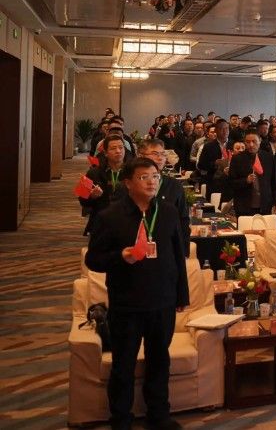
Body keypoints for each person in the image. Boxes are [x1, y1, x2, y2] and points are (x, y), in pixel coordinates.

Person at [85, 157, 189, 430]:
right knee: (123, 365)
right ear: (128, 183)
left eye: (155, 176)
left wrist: (181, 295)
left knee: (159, 360)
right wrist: (121, 256)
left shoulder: (168, 212)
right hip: (127, 303)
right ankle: (121, 420)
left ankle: (159, 415)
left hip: (162, 301)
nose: (152, 182)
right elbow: (93, 260)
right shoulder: (110, 216)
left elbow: (178, 256)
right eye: (144, 177)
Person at [137, 139, 191, 254]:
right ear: (140, 156)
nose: (160, 158)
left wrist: (183, 252)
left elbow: (183, 221)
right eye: (155, 154)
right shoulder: (130, 185)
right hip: (135, 248)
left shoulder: (174, 185)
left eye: (162, 154)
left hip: (167, 249)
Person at [80, 135, 128, 236]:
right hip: (100, 221)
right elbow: (82, 200)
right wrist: (92, 196)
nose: (118, 151)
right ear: (105, 153)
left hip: (126, 220)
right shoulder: (93, 172)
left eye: (121, 147)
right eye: (113, 148)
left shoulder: (133, 172)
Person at [227, 133, 276, 219]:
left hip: (265, 204)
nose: (251, 145)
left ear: (260, 141)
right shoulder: (237, 158)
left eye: (254, 141)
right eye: (248, 142)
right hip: (244, 205)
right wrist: (246, 180)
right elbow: (230, 183)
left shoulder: (268, 157)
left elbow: (274, 182)